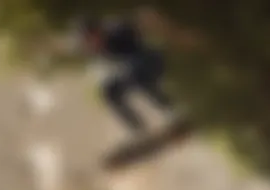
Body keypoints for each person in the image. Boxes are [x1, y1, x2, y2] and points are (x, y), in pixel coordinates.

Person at [51, 8, 200, 137]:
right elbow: (66, 46)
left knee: (135, 72)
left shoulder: (118, 29)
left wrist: (179, 37)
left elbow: (144, 21)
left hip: (151, 61)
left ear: (97, 31)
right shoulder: (91, 47)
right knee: (109, 91)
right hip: (133, 71)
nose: (92, 45)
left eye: (92, 39)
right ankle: (139, 130)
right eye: (88, 42)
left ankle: (172, 112)